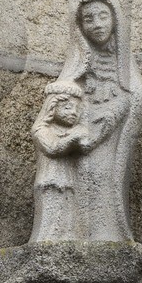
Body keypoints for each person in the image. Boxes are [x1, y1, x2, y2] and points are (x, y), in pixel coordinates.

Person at [57, 0, 142, 242]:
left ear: (115, 18)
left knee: (107, 180)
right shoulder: (77, 63)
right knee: (85, 179)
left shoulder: (124, 64)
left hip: (112, 138)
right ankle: (80, 234)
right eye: (89, 19)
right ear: (79, 25)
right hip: (85, 136)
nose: (97, 25)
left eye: (103, 16)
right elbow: (62, 98)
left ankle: (110, 235)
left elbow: (137, 94)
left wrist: (118, 109)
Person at [29, 81, 88, 241]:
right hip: (50, 181)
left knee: (68, 220)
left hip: (68, 181)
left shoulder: (69, 131)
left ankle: (68, 242)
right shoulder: (41, 130)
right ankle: (45, 246)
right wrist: (74, 136)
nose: (74, 113)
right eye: (68, 107)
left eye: (77, 109)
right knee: (51, 220)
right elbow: (53, 148)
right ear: (52, 107)